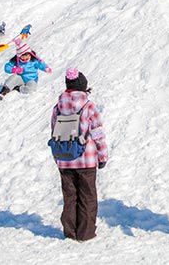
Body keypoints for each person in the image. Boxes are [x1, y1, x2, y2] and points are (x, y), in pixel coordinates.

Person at [50, 68, 109, 241]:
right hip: (86, 160)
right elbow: (97, 133)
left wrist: (57, 157)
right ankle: (85, 233)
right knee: (87, 197)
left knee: (70, 197)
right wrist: (102, 156)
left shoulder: (58, 107)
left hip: (64, 160)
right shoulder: (88, 106)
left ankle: (70, 232)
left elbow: (54, 132)